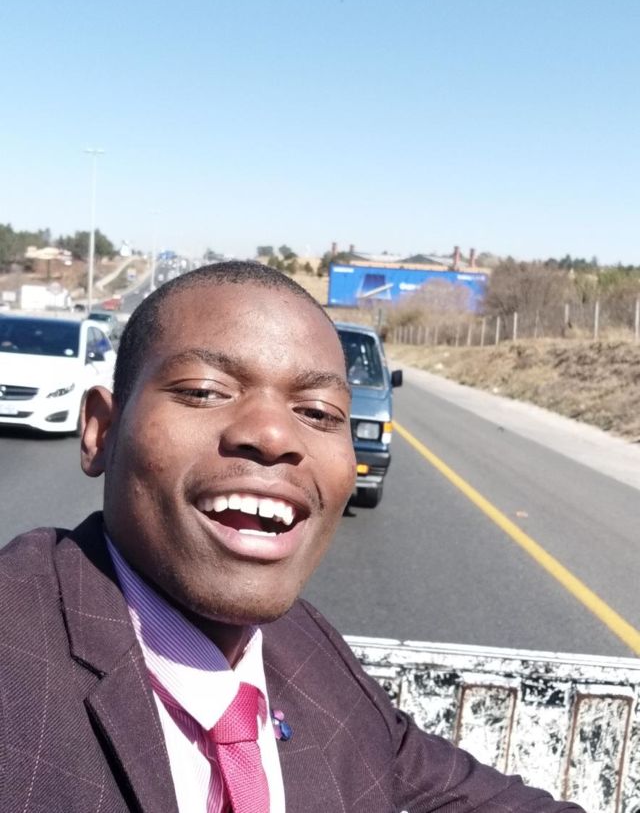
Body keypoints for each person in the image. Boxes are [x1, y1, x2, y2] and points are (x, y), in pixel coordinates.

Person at [0, 261, 585, 812]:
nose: (274, 434)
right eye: (204, 390)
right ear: (101, 431)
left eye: (320, 412)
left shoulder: (309, 653)